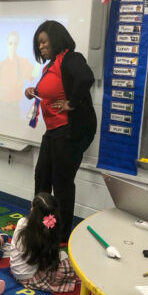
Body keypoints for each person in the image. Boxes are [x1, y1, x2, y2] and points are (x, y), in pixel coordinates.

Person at [24, 20, 96, 242]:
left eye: (44, 42)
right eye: (39, 44)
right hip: (54, 131)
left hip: (69, 132)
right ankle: (41, 224)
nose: (41, 47)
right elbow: (52, 90)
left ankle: (62, 234)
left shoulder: (71, 58)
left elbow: (86, 78)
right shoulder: (50, 65)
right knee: (42, 176)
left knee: (62, 183)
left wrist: (72, 103)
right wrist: (33, 91)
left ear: (56, 39)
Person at [9, 193, 78, 292]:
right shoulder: (50, 227)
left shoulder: (22, 222)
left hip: (18, 271)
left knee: (62, 258)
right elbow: (47, 258)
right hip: (30, 276)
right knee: (69, 263)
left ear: (32, 209)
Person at [0, 31, 38, 119]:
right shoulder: (1, 64)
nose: (13, 46)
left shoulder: (22, 62)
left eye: (15, 44)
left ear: (17, 45)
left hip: (13, 108)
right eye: (10, 43)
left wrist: (38, 60)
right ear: (7, 44)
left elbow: (34, 74)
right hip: (0, 107)